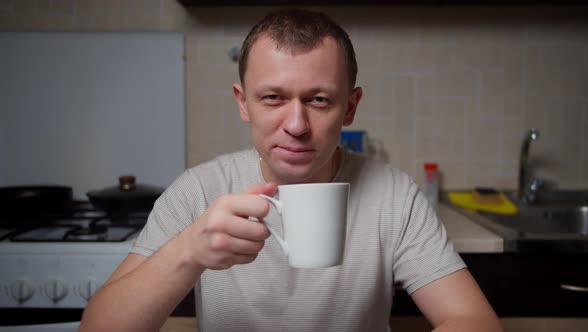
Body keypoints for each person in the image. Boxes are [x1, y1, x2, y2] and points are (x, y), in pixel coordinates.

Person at [79, 8, 502, 332]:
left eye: (318, 100)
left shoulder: (393, 193)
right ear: (243, 102)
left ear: (350, 107)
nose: (296, 125)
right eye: (273, 98)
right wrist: (188, 251)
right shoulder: (198, 191)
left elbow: (474, 321)